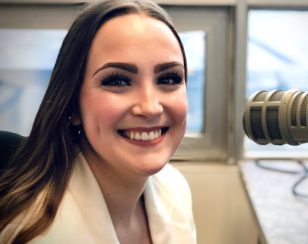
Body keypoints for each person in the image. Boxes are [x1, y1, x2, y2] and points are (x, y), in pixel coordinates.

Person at [0, 0, 196, 243]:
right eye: (118, 81)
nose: (150, 107)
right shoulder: (38, 234)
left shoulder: (175, 187)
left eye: (168, 78)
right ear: (73, 105)